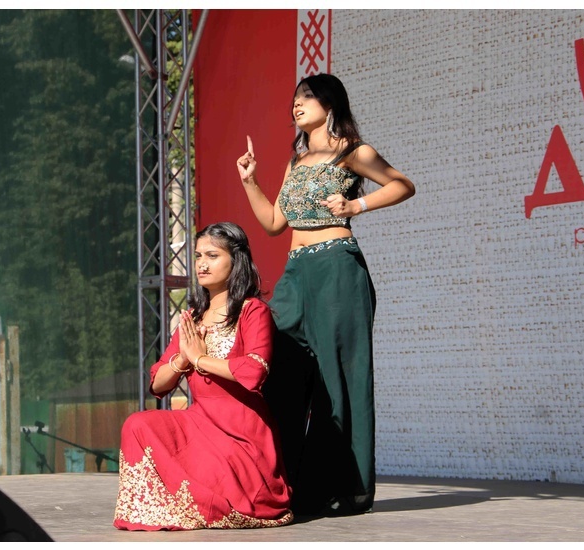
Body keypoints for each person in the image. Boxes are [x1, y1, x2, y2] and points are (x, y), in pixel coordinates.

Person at [236, 73, 416, 516]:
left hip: (337, 269)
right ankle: (283, 481)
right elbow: (274, 223)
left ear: (329, 104)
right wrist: (250, 181)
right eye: (295, 98)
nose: (296, 104)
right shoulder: (296, 162)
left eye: (307, 97)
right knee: (278, 362)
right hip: (296, 273)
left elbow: (402, 185)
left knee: (338, 379)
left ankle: (344, 488)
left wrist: (357, 205)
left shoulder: (352, 152)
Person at [113, 222, 293, 531]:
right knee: (138, 424)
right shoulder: (193, 318)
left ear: (235, 260)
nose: (202, 264)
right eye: (198, 256)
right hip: (199, 422)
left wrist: (200, 359)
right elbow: (158, 382)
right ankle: (168, 507)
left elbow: (255, 370)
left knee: (217, 475)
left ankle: (206, 501)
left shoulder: (252, 311)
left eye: (212, 255)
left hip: (240, 433)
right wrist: (184, 358)